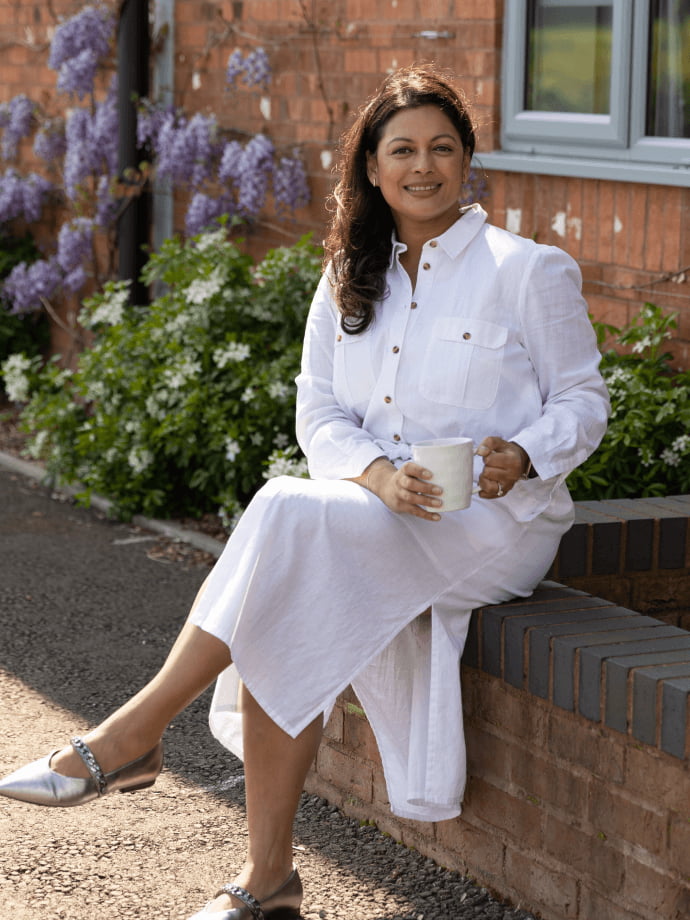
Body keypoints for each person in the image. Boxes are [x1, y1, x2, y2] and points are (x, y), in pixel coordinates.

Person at [0, 64, 610, 919]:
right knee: (292, 565)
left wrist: (525, 454)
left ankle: (135, 737)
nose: (423, 165)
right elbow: (318, 410)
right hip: (374, 510)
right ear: (371, 166)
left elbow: (585, 399)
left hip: (493, 526)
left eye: (442, 147)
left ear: (468, 159)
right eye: (403, 149)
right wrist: (375, 476)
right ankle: (267, 879)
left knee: (287, 513)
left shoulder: (527, 270)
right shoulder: (346, 277)